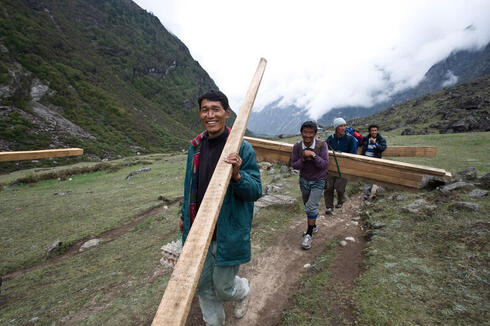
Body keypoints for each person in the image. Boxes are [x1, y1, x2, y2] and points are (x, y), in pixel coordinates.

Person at [180, 90, 262, 326]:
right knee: (203, 284)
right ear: (200, 114)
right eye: (205, 110)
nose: (210, 115)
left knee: (224, 288)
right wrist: (183, 215)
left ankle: (243, 290)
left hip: (228, 231)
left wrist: (237, 176)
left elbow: (255, 191)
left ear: (227, 113)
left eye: (216, 109)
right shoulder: (195, 147)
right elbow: (189, 187)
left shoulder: (242, 149)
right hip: (198, 233)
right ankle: (214, 323)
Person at [290, 121, 329, 249]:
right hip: (304, 180)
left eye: (310, 133)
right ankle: (314, 225)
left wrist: (313, 155)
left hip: (319, 180)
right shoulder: (297, 147)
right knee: (307, 205)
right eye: (305, 132)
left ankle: (309, 234)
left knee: (311, 207)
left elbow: (324, 165)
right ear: (301, 133)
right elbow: (294, 164)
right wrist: (303, 158)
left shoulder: (322, 145)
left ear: (315, 134)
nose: (307, 135)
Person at [324, 117, 357, 214]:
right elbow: (324, 150)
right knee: (328, 187)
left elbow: (353, 154)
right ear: (336, 128)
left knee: (339, 187)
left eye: (344, 126)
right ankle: (329, 207)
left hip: (343, 168)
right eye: (340, 126)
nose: (343, 128)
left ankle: (340, 200)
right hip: (331, 167)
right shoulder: (330, 138)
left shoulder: (350, 139)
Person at [361, 124, 387, 199]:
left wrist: (375, 143)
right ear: (369, 131)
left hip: (375, 160)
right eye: (372, 130)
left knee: (377, 176)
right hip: (366, 159)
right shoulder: (366, 139)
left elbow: (383, 148)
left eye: (375, 130)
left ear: (377, 131)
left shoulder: (381, 139)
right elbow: (359, 142)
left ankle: (379, 192)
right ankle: (366, 194)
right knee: (368, 176)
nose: (374, 132)